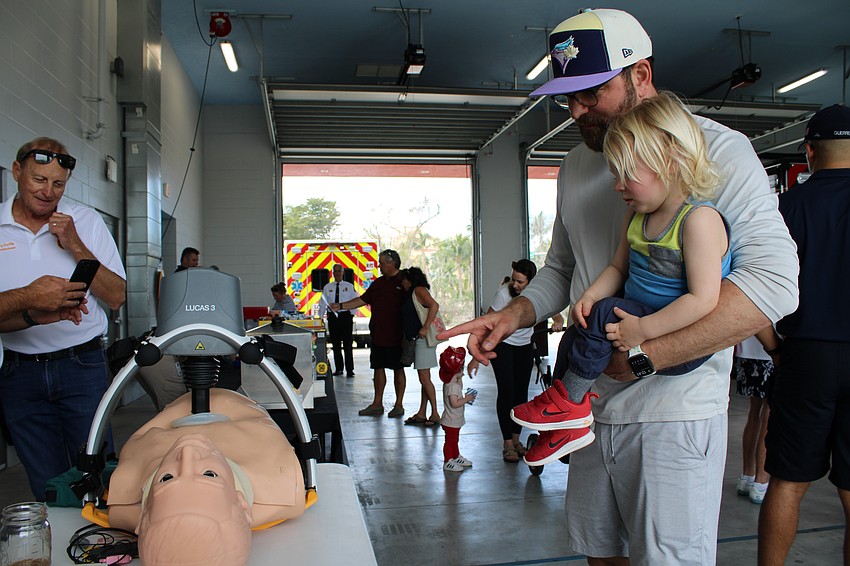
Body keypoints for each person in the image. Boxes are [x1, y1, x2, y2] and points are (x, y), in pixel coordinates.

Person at [440, 9, 798, 565]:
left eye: (592, 91)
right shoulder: (577, 164)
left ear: (642, 74)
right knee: (600, 556)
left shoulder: (717, 152)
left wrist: (648, 355)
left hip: (672, 414)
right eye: (568, 97)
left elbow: (774, 283)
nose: (578, 110)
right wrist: (512, 316)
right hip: (585, 410)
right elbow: (562, 269)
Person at [511, 92, 732, 464]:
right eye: (615, 174)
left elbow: (704, 300)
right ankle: (569, 419)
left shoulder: (698, 221)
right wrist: (589, 296)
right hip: (640, 315)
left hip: (675, 335)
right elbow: (618, 267)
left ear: (672, 163)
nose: (618, 186)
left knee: (603, 314)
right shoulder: (637, 218)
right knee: (581, 326)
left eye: (627, 175)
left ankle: (570, 407)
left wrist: (643, 330)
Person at [0, 137, 127, 502]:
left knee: (100, 470)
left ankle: (106, 548)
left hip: (81, 366)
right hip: (17, 371)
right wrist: (30, 300)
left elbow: (116, 295)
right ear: (17, 172)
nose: (47, 192)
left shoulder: (85, 221)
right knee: (45, 479)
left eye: (58, 184)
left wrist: (74, 243)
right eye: (39, 180)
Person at [758, 104, 850, 565]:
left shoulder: (786, 207)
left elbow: (744, 286)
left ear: (809, 151)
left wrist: (775, 347)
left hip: (804, 356)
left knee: (788, 482)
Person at [106, 388, 306, 566]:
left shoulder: (124, 496)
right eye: (209, 474)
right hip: (234, 400)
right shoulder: (283, 482)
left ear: (140, 518)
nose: (187, 453)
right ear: (243, 505)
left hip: (178, 405)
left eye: (167, 478)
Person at [467, 259, 538, 463]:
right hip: (504, 347)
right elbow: (487, 323)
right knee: (507, 391)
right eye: (514, 280)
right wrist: (476, 356)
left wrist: (558, 320)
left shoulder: (534, 294)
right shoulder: (503, 294)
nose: (515, 285)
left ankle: (517, 440)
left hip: (525, 347)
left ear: (530, 282)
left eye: (520, 282)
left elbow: (549, 309)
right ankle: (507, 443)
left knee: (521, 393)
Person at [331, 249, 407, 417]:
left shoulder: (404, 281)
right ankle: (377, 403)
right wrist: (341, 306)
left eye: (382, 262)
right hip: (378, 333)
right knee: (378, 367)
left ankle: (399, 405)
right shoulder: (378, 283)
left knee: (397, 368)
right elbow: (362, 300)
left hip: (398, 335)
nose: (379, 265)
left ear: (392, 262)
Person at [733, 332, 775, 505]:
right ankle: (761, 480)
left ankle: (747, 476)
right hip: (772, 352)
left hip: (748, 351)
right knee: (769, 414)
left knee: (754, 413)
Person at [399, 267, 441, 426]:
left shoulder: (419, 290)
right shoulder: (412, 293)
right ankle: (422, 412)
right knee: (424, 378)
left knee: (424, 378)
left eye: (403, 279)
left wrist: (425, 327)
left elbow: (434, 306)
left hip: (423, 339)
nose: (402, 283)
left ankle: (435, 413)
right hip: (418, 339)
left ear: (410, 280)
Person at [439, 346, 476, 472]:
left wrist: (459, 376)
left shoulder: (452, 383)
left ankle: (455, 456)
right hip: (451, 421)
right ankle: (447, 460)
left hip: (454, 420)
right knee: (450, 441)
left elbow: (459, 384)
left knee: (454, 440)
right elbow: (454, 403)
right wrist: (467, 399)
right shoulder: (452, 387)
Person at [319, 264, 358, 377]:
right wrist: (320, 318)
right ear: (333, 273)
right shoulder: (328, 287)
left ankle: (350, 370)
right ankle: (339, 369)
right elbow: (322, 304)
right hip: (333, 317)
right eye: (335, 271)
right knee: (336, 345)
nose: (337, 273)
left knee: (347, 344)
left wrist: (351, 315)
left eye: (339, 271)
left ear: (342, 272)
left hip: (345, 317)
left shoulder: (349, 286)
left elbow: (354, 301)